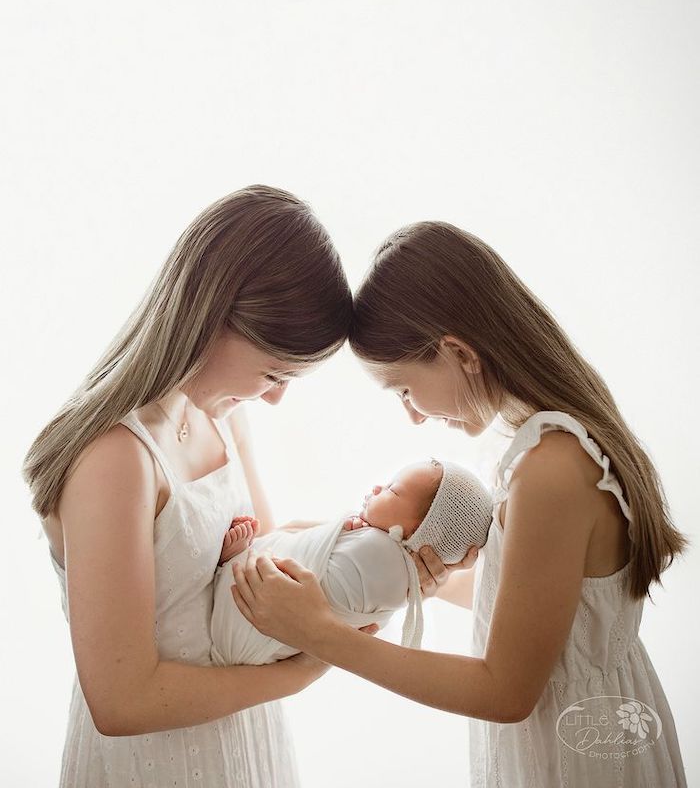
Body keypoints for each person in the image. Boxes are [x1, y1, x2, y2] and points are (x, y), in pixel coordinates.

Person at [231, 220, 689, 787]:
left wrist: (324, 634)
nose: (414, 416)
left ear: (458, 352)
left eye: (403, 389)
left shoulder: (551, 467)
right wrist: (431, 580)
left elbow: (505, 691)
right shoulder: (550, 444)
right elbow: (553, 613)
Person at [22, 185, 377, 787]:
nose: (276, 397)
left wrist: (357, 540)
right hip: (154, 764)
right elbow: (123, 701)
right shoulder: (117, 458)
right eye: (274, 372)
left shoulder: (222, 415)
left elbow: (258, 554)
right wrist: (304, 669)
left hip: (245, 741)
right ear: (212, 318)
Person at [210, 458, 493, 665]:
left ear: (420, 533)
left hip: (249, 619)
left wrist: (345, 530)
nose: (378, 487)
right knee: (280, 553)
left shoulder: (383, 557)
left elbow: (321, 580)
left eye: (393, 490)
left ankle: (235, 562)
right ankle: (237, 560)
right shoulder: (374, 545)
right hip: (249, 633)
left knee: (269, 569)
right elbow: (303, 540)